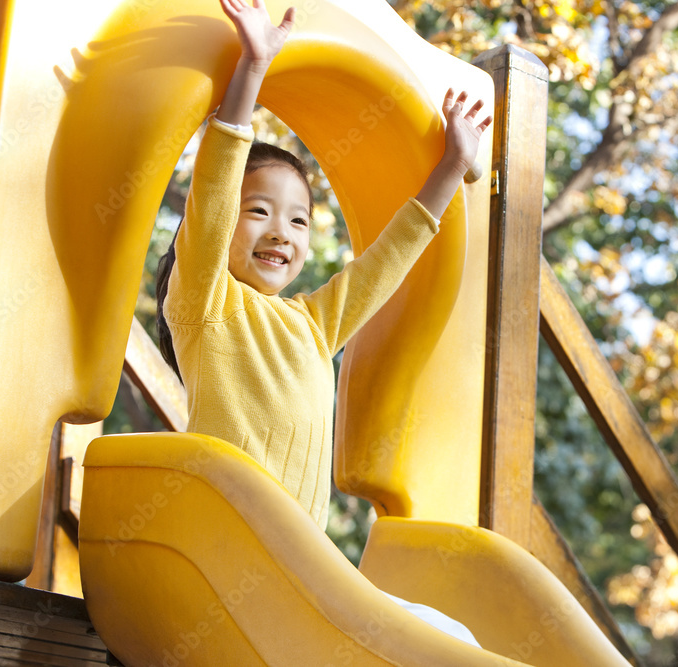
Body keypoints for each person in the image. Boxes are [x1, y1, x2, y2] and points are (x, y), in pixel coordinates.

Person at [155, 0, 490, 648]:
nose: (281, 230)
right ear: (224, 224)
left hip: (300, 579)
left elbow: (387, 261)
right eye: (259, 211)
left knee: (454, 635)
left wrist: (451, 164)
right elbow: (215, 184)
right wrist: (252, 69)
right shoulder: (204, 301)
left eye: (300, 219)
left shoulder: (313, 324)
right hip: (230, 565)